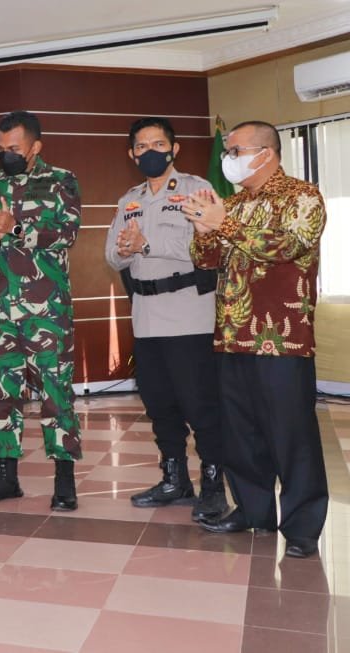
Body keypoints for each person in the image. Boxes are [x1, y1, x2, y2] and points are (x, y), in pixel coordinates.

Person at [182, 120, 328, 558]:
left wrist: (222, 224)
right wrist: (204, 229)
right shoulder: (235, 204)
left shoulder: (302, 197)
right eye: (226, 151)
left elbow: (286, 247)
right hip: (232, 336)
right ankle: (252, 511)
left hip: (280, 341)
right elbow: (206, 261)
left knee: (291, 435)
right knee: (240, 435)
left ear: (266, 151)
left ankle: (302, 527)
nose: (229, 158)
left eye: (236, 149)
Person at [104, 117, 227, 522]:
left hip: (189, 313)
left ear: (175, 150)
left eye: (159, 144)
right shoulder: (129, 200)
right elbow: (112, 255)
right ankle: (174, 479)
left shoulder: (197, 190)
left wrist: (147, 243)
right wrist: (125, 249)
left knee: (200, 404)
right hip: (146, 316)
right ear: (131, 154)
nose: (150, 152)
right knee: (159, 405)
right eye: (142, 146)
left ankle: (213, 485)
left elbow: (207, 245)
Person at [0, 110, 82, 512]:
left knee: (55, 392)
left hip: (48, 309)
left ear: (35, 147)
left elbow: (65, 233)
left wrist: (13, 227)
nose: (5, 155)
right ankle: (5, 477)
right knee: (0, 393)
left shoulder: (61, 180)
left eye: (13, 149)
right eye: (0, 149)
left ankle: (64, 480)